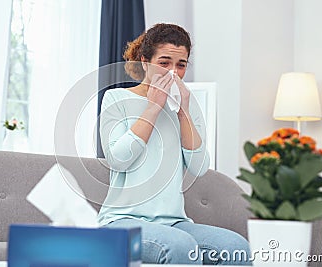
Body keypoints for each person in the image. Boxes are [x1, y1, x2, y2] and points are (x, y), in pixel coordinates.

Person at [98, 23, 251, 265]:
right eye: (164, 63)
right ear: (144, 60)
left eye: (181, 65)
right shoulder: (117, 98)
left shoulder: (187, 108)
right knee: (180, 246)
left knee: (237, 248)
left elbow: (199, 167)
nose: (173, 73)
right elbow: (119, 159)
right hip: (121, 222)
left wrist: (183, 112)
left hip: (175, 222)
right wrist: (153, 107)